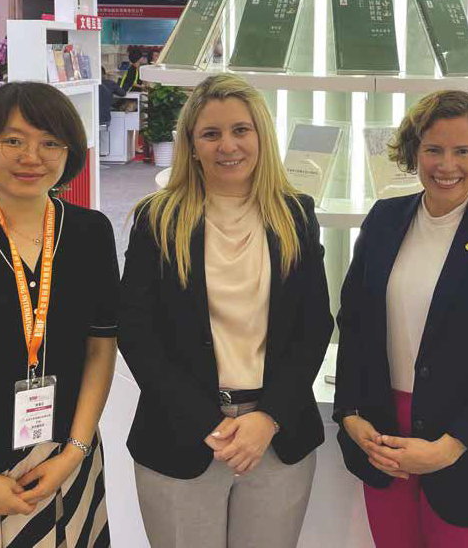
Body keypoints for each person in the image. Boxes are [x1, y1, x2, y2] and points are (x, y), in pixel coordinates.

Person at [118, 73, 333, 548]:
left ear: (261, 136)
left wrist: (268, 417)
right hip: (179, 434)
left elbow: (315, 325)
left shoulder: (295, 214)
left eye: (241, 130)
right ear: (191, 145)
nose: (227, 145)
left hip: (276, 438)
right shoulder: (158, 218)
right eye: (210, 134)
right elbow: (136, 332)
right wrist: (205, 421)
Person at [334, 90, 468, 548]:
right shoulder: (385, 220)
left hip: (467, 442)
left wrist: (450, 446)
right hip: (384, 436)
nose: (447, 164)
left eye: (462, 150)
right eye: (434, 149)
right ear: (415, 151)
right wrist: (350, 413)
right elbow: (353, 325)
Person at [0, 81, 119, 547]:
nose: (32, 157)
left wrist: (74, 453)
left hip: (67, 453)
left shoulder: (90, 232)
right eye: (13, 140)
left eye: (50, 142)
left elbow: (100, 348)